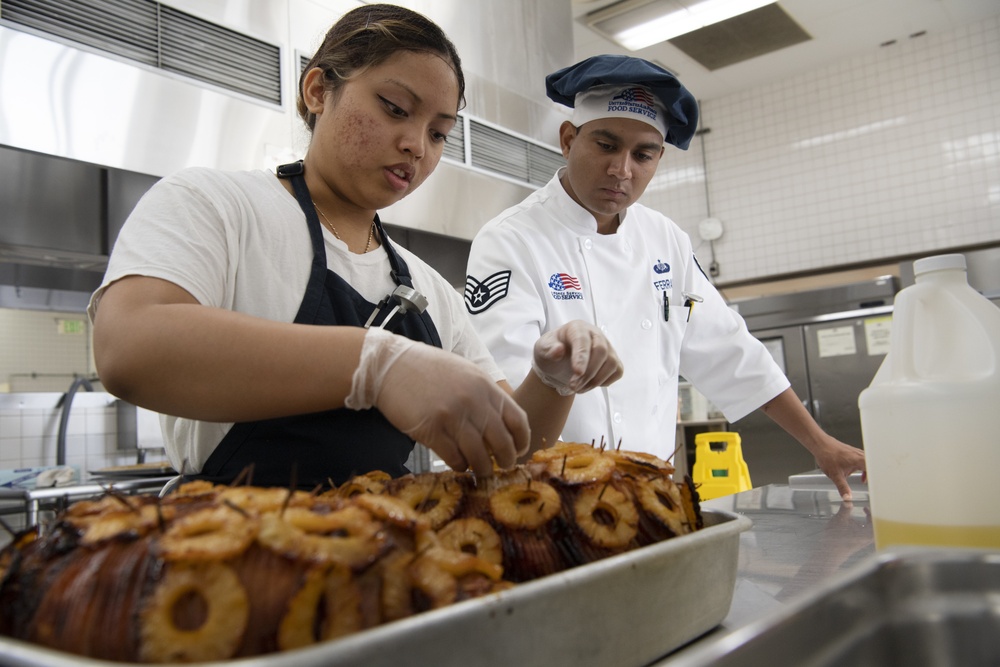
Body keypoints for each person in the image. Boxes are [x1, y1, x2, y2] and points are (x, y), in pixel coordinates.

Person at [88, 5, 622, 490]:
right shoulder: (218, 205)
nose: (416, 144)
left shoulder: (426, 288)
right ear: (318, 90)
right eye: (394, 108)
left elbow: (508, 449)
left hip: (380, 562)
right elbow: (130, 347)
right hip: (231, 559)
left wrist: (553, 381)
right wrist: (375, 364)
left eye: (438, 134)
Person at [464, 54, 866, 500]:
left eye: (643, 154)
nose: (622, 170)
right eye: (605, 145)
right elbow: (505, 406)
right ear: (567, 139)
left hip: (648, 493)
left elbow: (730, 349)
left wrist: (821, 444)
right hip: (547, 498)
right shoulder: (511, 240)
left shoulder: (665, 240)